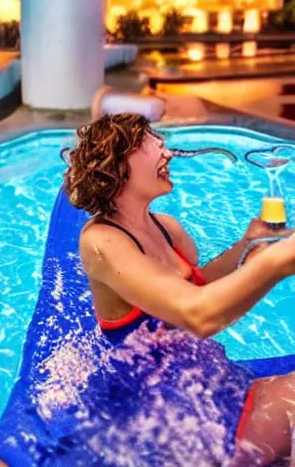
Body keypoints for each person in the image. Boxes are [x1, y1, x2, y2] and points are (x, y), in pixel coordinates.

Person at [60, 112, 295, 466]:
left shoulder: (167, 228)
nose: (167, 153)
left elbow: (195, 286)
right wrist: (275, 263)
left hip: (206, 385)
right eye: (152, 144)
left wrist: (248, 246)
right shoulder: (102, 241)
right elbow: (197, 314)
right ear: (118, 161)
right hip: (166, 414)